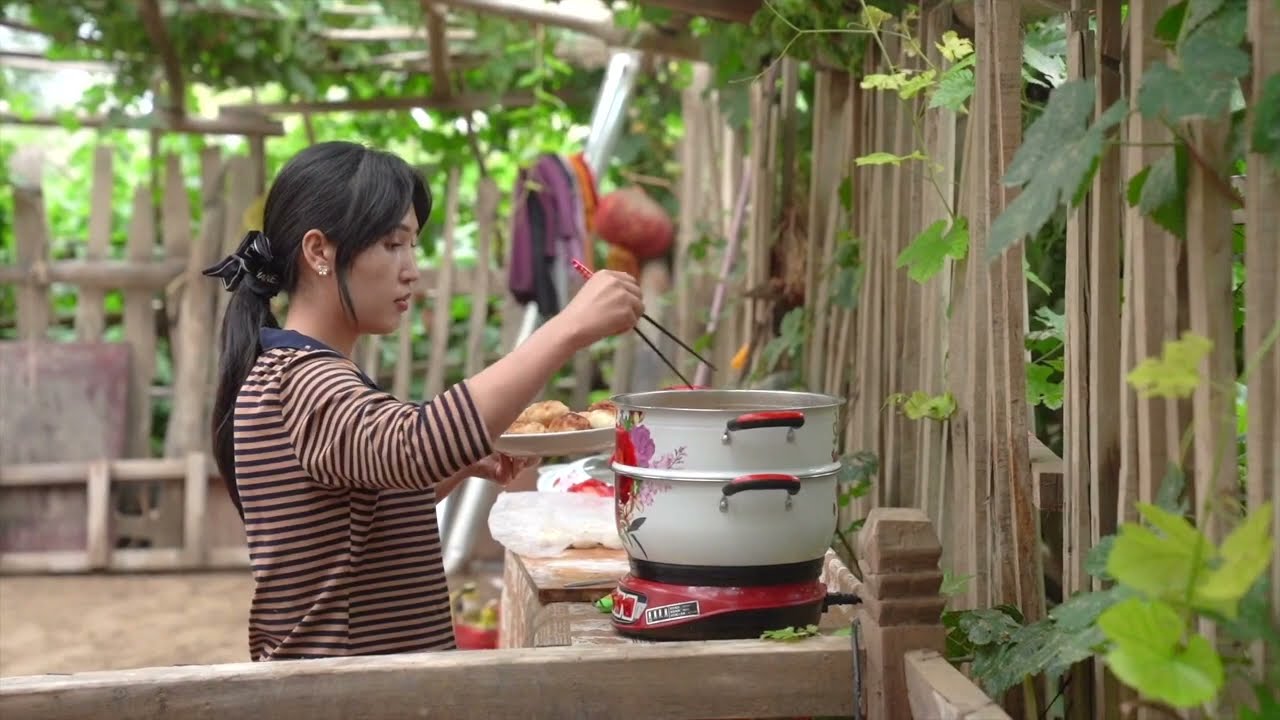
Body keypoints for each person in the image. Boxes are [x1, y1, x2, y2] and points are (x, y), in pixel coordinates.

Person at [203, 141, 643, 661]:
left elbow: (355, 514)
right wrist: (567, 329)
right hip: (344, 696)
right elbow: (412, 446)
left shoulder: (301, 371)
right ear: (319, 251)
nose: (411, 268)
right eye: (392, 245)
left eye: (412, 245)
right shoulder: (303, 381)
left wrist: (458, 466)